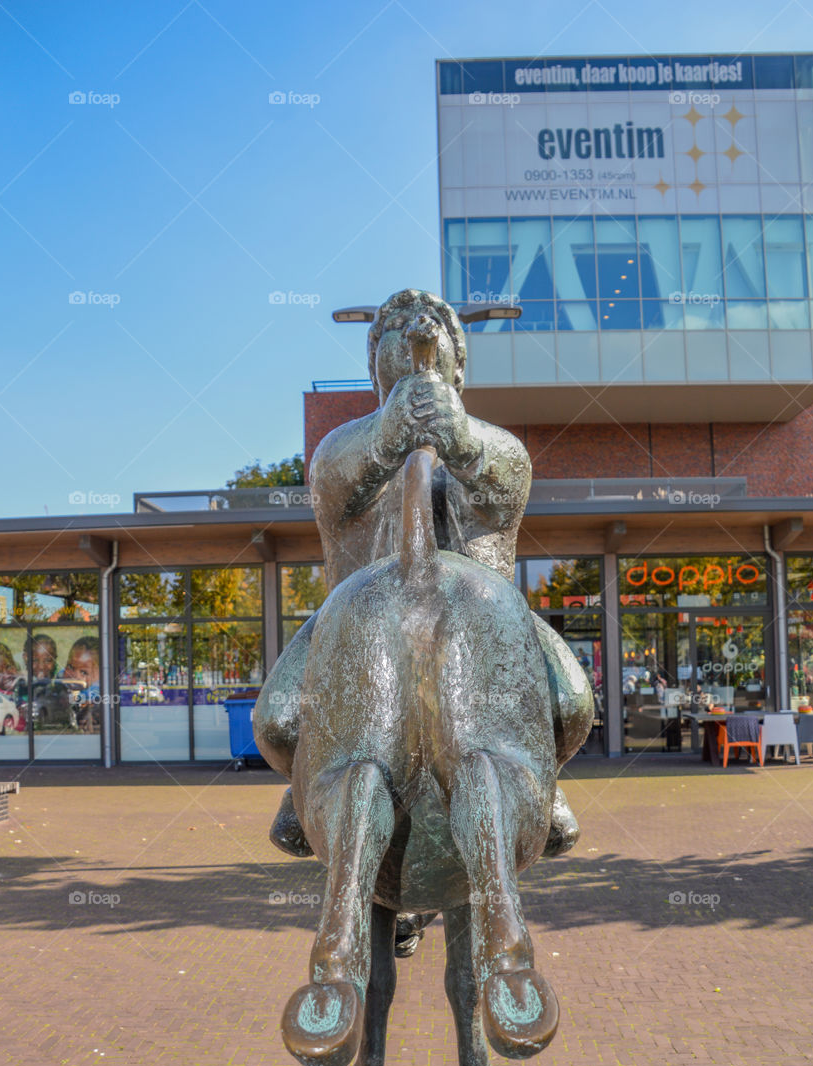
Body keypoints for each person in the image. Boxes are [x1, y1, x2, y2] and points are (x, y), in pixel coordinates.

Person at [254, 288, 593, 867]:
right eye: (395, 333)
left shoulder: (498, 445)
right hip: (355, 620)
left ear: (459, 365)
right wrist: (387, 439)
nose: (417, 340)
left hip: (487, 624)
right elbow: (337, 487)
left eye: (434, 330)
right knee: (279, 719)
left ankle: (542, 782)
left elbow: (503, 488)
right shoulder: (343, 445)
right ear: (374, 367)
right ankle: (307, 788)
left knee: (571, 701)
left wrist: (460, 441)